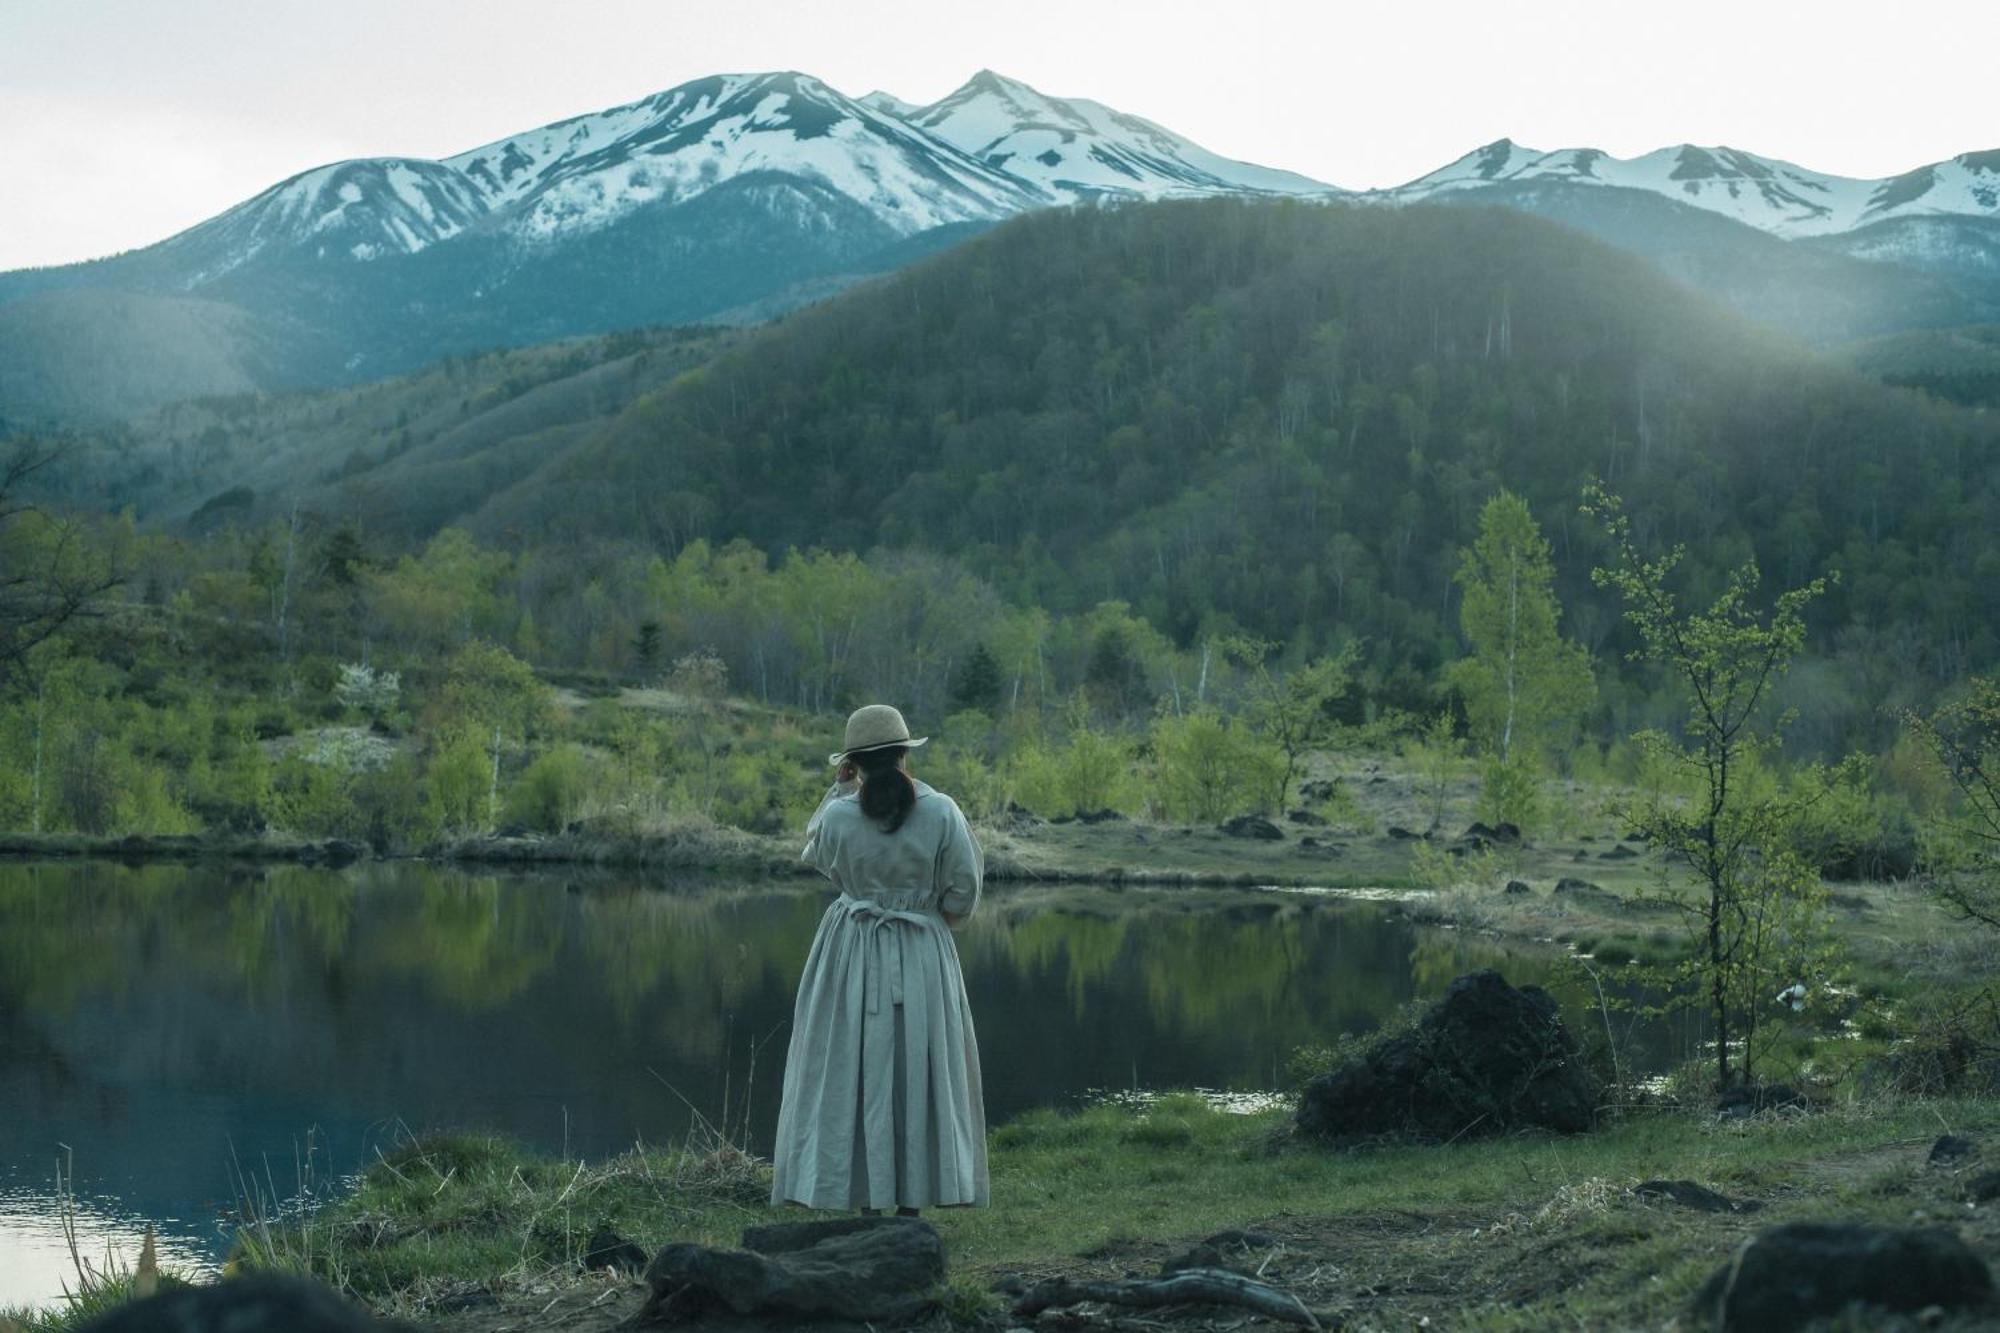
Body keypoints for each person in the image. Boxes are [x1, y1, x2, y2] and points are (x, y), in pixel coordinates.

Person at [768, 704, 989, 1215]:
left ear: (852, 764)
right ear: (906, 755)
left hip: (852, 948)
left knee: (855, 1066)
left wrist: (841, 790)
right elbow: (963, 894)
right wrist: (932, 915)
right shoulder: (942, 812)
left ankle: (863, 1198)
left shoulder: (840, 815)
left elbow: (822, 859)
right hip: (920, 950)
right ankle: (912, 1203)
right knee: (918, 1065)